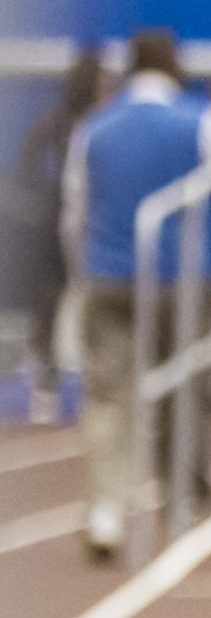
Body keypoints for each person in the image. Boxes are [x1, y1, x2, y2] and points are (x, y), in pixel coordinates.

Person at [61, 29, 211, 559]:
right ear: (176, 67)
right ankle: (183, 499)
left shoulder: (94, 128)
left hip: (107, 276)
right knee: (184, 386)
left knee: (109, 397)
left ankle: (107, 511)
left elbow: (74, 211)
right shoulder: (201, 121)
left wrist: (80, 272)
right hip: (178, 278)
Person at [14, 48, 103, 425]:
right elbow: (28, 162)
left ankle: (87, 385)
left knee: (95, 304)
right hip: (61, 224)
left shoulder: (102, 123)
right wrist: (42, 200)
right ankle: (47, 385)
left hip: (92, 223)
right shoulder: (64, 122)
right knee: (52, 302)